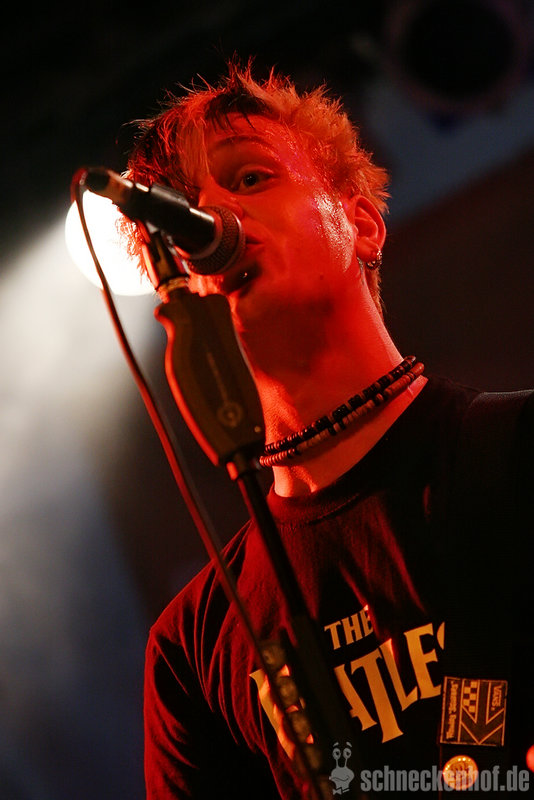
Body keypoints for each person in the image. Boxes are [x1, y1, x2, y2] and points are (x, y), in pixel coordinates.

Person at [123, 61, 534, 798]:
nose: (213, 215)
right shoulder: (193, 651)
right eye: (185, 211)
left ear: (362, 224)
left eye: (250, 178)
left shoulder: (518, 453)